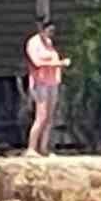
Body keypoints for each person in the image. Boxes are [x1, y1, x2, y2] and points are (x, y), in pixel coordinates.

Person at [25, 17, 70, 157]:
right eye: (49, 31)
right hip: (40, 83)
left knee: (50, 117)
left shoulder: (49, 43)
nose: (52, 33)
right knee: (41, 116)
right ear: (42, 30)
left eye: (53, 31)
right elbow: (36, 62)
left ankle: (43, 148)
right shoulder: (33, 43)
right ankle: (31, 148)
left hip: (52, 82)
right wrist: (59, 64)